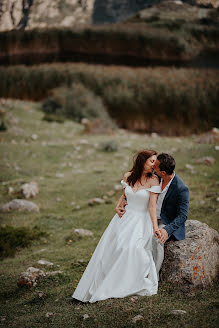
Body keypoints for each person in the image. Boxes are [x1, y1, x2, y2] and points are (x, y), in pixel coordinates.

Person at [72, 150, 162, 303]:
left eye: (156, 162)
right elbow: (125, 195)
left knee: (132, 248)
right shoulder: (128, 176)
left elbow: (152, 207)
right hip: (123, 219)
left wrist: (155, 228)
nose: (155, 165)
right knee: (113, 248)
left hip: (141, 221)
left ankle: (125, 282)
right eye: (152, 161)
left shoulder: (154, 181)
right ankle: (104, 281)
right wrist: (118, 205)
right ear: (142, 161)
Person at [117, 153, 190, 276]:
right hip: (145, 216)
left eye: (155, 166)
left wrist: (167, 230)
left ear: (163, 172)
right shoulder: (155, 176)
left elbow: (183, 216)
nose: (152, 167)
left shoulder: (181, 188)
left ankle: (152, 276)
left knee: (156, 240)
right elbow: (133, 188)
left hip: (164, 221)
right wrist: (122, 201)